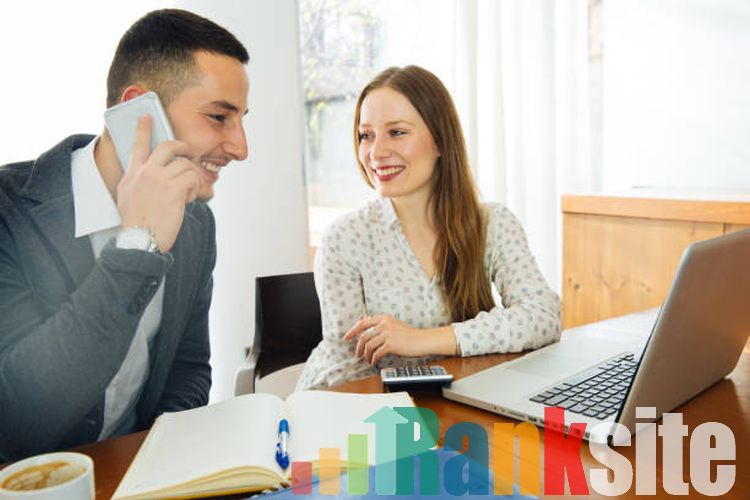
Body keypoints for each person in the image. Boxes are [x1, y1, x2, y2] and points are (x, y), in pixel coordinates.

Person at [0, 9, 249, 460]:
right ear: (138, 114)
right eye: (218, 117)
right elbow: (17, 421)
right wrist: (139, 243)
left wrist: (162, 467)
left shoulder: (197, 224)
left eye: (241, 120)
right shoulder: (8, 211)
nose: (240, 147)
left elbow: (188, 370)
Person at [297, 65, 561, 390]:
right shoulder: (345, 238)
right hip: (354, 405)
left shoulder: (492, 224)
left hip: (448, 397)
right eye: (366, 135)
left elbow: (543, 315)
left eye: (397, 132)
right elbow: (348, 374)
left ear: (440, 141)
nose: (376, 152)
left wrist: (420, 340)